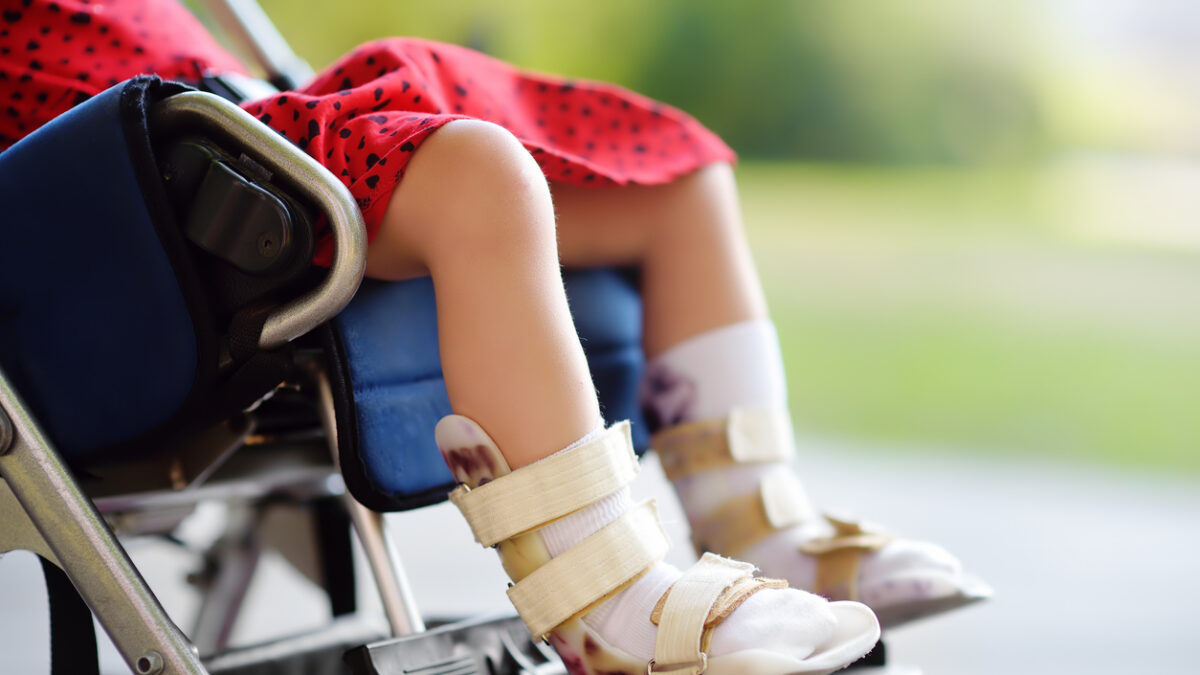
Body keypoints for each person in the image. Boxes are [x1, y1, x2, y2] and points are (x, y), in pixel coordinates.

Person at [0, 1, 987, 672]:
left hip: (246, 134)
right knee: (476, 174)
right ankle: (610, 606)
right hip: (139, 219)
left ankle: (757, 522)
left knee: (678, 174)